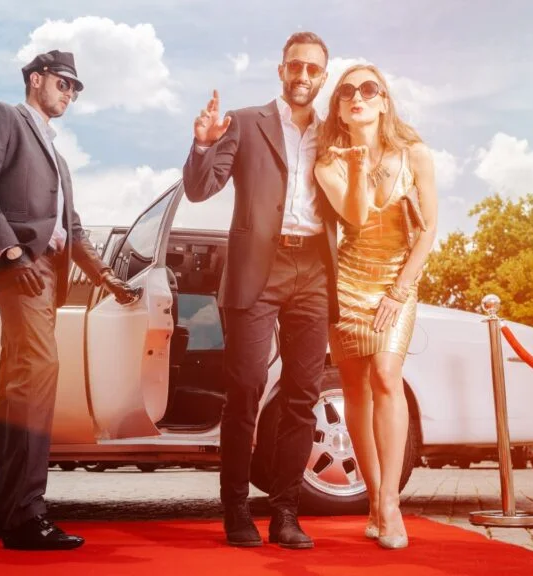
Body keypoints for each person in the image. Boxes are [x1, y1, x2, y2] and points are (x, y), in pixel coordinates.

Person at [0, 49, 140, 551]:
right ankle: (26, 516)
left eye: (76, 88)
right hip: (18, 266)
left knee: (18, 386)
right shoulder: (4, 116)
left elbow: (73, 231)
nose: (70, 93)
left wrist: (106, 277)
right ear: (36, 79)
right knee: (39, 376)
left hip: (46, 272)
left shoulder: (58, 158)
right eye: (64, 83)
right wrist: (12, 250)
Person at [182, 31, 339, 550]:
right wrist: (204, 142)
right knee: (246, 389)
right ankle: (235, 511)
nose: (303, 76)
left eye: (314, 69)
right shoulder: (248, 123)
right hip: (258, 270)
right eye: (296, 66)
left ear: (323, 75)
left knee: (301, 396)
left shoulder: (334, 132)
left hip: (315, 268)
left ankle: (287, 513)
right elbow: (201, 189)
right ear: (281, 69)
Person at [313, 63, 438, 550]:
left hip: (395, 281)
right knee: (356, 392)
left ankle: (389, 502)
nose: (358, 96)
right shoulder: (328, 161)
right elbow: (357, 215)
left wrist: (400, 291)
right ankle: (373, 502)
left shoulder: (416, 153)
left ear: (384, 101)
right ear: (340, 109)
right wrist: (359, 163)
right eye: (347, 92)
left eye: (370, 89)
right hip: (346, 283)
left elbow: (427, 230)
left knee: (387, 375)